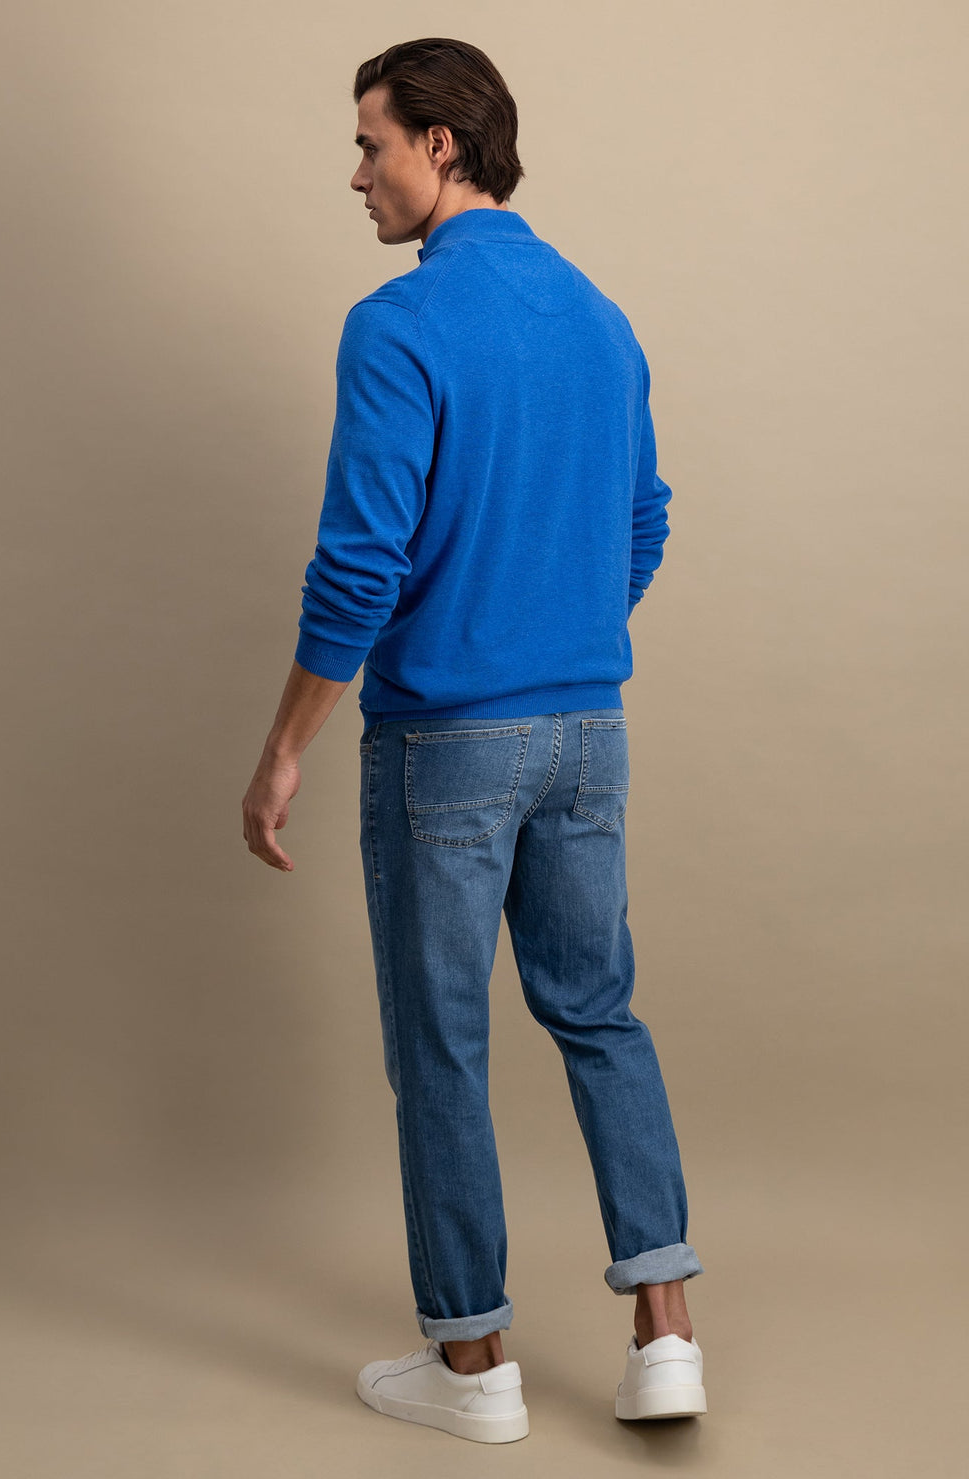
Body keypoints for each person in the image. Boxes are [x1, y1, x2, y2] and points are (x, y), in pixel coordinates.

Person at [242, 37, 706, 1444]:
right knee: (600, 1014)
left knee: (441, 1042)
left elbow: (359, 566)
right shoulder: (600, 317)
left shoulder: (399, 325)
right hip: (588, 732)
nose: (357, 175)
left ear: (441, 145)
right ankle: (668, 1340)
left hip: (446, 742)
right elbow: (643, 521)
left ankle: (473, 1368)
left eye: (371, 143)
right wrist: (557, 626)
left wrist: (284, 747)